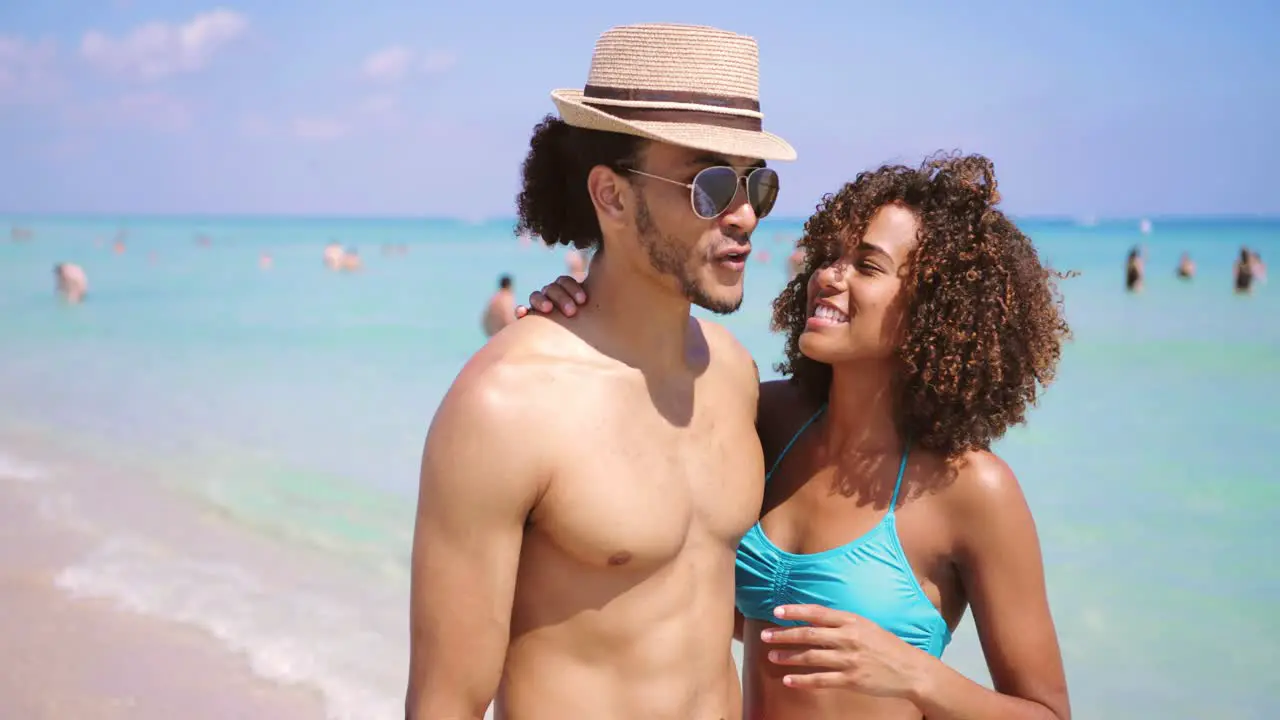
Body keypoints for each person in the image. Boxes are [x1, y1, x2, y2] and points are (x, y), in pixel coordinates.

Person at [518, 153, 1073, 720]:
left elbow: (1048, 713)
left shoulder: (971, 488)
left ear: (934, 308)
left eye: (867, 265)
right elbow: (621, 425)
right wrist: (575, 318)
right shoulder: (767, 418)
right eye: (830, 256)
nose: (829, 276)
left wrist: (914, 674)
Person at [405, 22, 795, 720]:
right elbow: (446, 702)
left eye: (756, 185)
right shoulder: (509, 403)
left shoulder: (733, 376)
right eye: (709, 184)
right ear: (612, 197)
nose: (744, 216)